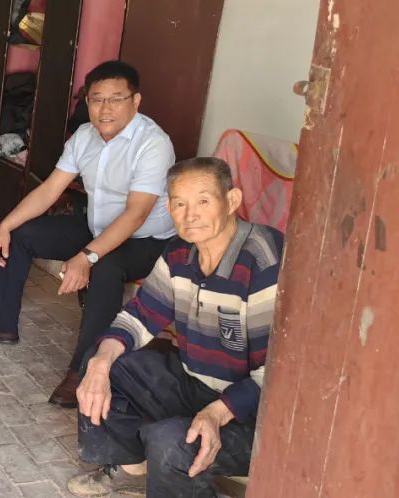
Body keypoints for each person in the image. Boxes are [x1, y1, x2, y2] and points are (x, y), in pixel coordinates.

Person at [0, 60, 176, 407]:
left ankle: (84, 370)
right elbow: (50, 190)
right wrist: (5, 226)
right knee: (23, 235)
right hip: (98, 226)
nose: (105, 108)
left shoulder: (153, 143)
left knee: (105, 267)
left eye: (116, 99)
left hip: (146, 241)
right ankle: (2, 324)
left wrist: (87, 256)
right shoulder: (85, 136)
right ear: (87, 102)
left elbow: (136, 214)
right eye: (96, 99)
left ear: (136, 101)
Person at [66, 157, 283, 497]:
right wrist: (100, 362)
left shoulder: (262, 259)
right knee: (103, 361)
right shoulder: (180, 253)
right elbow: (138, 317)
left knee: (169, 442)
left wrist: (218, 413)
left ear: (232, 201)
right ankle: (131, 468)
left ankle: (180, 474)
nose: (190, 214)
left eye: (203, 201)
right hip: (197, 383)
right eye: (180, 204)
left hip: (256, 413)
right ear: (169, 208)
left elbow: (276, 373)